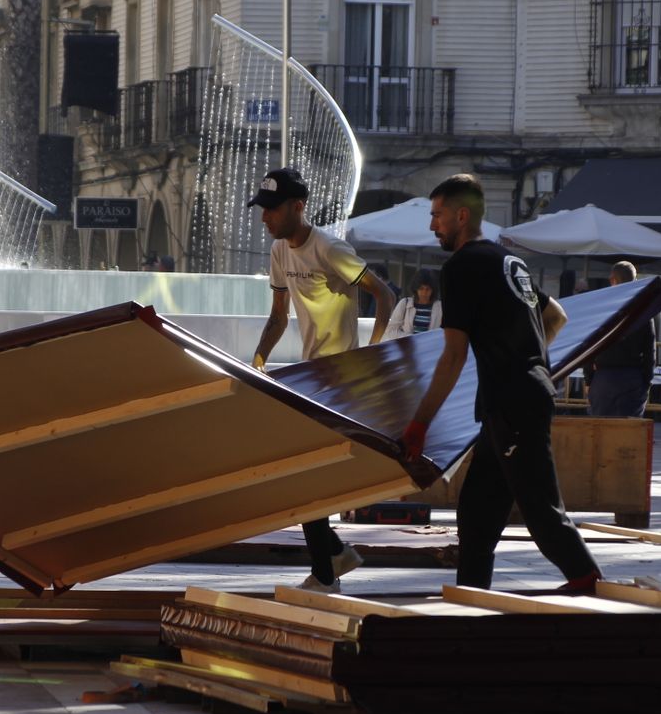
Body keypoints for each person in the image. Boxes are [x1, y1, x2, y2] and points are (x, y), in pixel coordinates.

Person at [400, 173, 602, 593]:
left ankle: (588, 583)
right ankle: (469, 598)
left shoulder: (460, 267)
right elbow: (556, 316)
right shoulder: (507, 260)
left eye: (437, 216)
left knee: (539, 507)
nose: (431, 225)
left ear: (460, 215)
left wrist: (419, 424)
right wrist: (526, 361)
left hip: (511, 402)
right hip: (510, 399)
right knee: (477, 512)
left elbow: (453, 354)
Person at [249, 168, 395, 593]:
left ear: (298, 207)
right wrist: (258, 361)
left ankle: (327, 573)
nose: (265, 219)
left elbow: (384, 294)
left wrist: (375, 353)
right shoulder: (280, 252)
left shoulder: (329, 248)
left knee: (305, 474)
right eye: (262, 211)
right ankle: (332, 554)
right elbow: (279, 316)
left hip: (344, 380)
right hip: (312, 376)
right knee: (298, 475)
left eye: (272, 210)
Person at [585, 261, 655, 418]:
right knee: (629, 433)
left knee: (600, 431)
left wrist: (589, 379)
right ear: (634, 280)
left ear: (612, 280)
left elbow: (589, 346)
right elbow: (650, 350)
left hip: (603, 379)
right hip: (632, 378)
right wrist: (646, 381)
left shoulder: (599, 310)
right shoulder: (643, 310)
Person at [382, 270, 442, 341]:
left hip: (430, 350)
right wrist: (411, 338)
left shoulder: (440, 307)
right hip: (408, 349)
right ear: (416, 289)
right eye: (421, 289)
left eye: (428, 289)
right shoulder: (405, 303)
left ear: (433, 290)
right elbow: (390, 330)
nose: (424, 292)